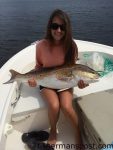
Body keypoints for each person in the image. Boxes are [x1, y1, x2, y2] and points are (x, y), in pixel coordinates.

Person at [28, 9, 88, 148]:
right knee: (54, 105)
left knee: (67, 106)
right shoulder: (41, 46)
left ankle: (78, 133)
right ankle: (53, 130)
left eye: (62, 27)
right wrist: (33, 80)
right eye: (55, 26)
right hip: (46, 81)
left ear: (67, 29)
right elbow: (38, 66)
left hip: (65, 82)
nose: (58, 30)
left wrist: (79, 83)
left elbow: (73, 70)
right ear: (50, 27)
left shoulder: (71, 46)